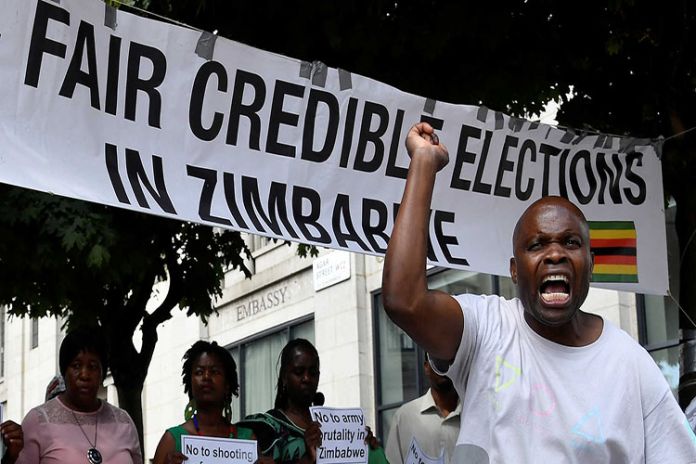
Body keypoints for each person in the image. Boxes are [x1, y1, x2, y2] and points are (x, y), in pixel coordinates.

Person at [381, 122, 696, 463]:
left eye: (570, 242)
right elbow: (404, 301)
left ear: (591, 264)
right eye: (537, 245)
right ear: (515, 270)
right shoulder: (485, 329)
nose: (555, 254)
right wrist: (424, 162)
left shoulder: (631, 364)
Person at [241, 338, 387, 464]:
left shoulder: (335, 428)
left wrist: (364, 445)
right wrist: (306, 457)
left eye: (313, 373)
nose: (306, 378)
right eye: (299, 372)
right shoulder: (262, 428)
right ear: (284, 377)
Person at [16, 326, 142, 464]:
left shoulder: (123, 422)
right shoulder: (37, 421)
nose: (84, 375)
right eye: (76, 366)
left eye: (93, 367)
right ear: (64, 371)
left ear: (102, 373)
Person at [153, 340, 272, 464]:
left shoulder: (247, 439)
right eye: (199, 372)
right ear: (190, 383)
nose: (206, 377)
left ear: (227, 385)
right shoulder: (171, 440)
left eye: (215, 372)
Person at [385, 353, 461, 464]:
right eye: (437, 361)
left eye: (448, 360)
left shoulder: (474, 416)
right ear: (426, 367)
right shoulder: (405, 417)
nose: (443, 366)